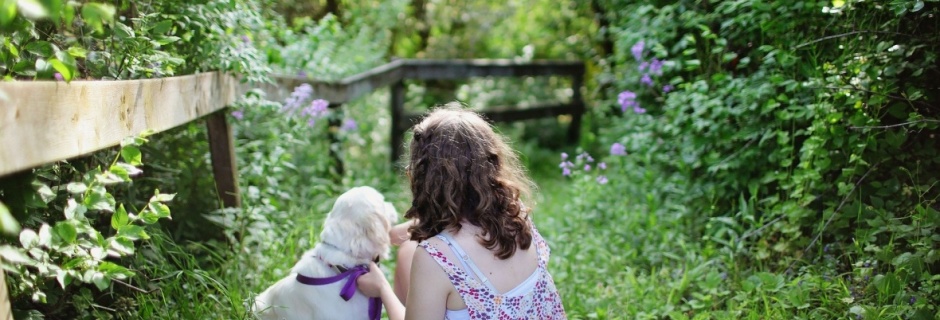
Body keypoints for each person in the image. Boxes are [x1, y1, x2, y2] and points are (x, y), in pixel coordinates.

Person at [356, 104, 567, 319]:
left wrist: (382, 288)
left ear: (422, 178)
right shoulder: (516, 214)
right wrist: (388, 234)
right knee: (407, 249)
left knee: (407, 252)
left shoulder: (435, 257)